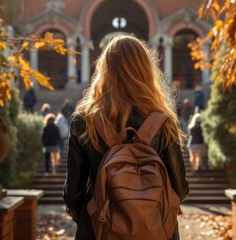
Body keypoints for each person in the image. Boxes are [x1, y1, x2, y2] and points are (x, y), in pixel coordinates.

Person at [63, 35, 189, 240]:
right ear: (146, 71)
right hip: (156, 231)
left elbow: (73, 195)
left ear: (104, 71)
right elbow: (179, 188)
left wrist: (97, 218)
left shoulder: (84, 121)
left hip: (97, 232)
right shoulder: (163, 121)